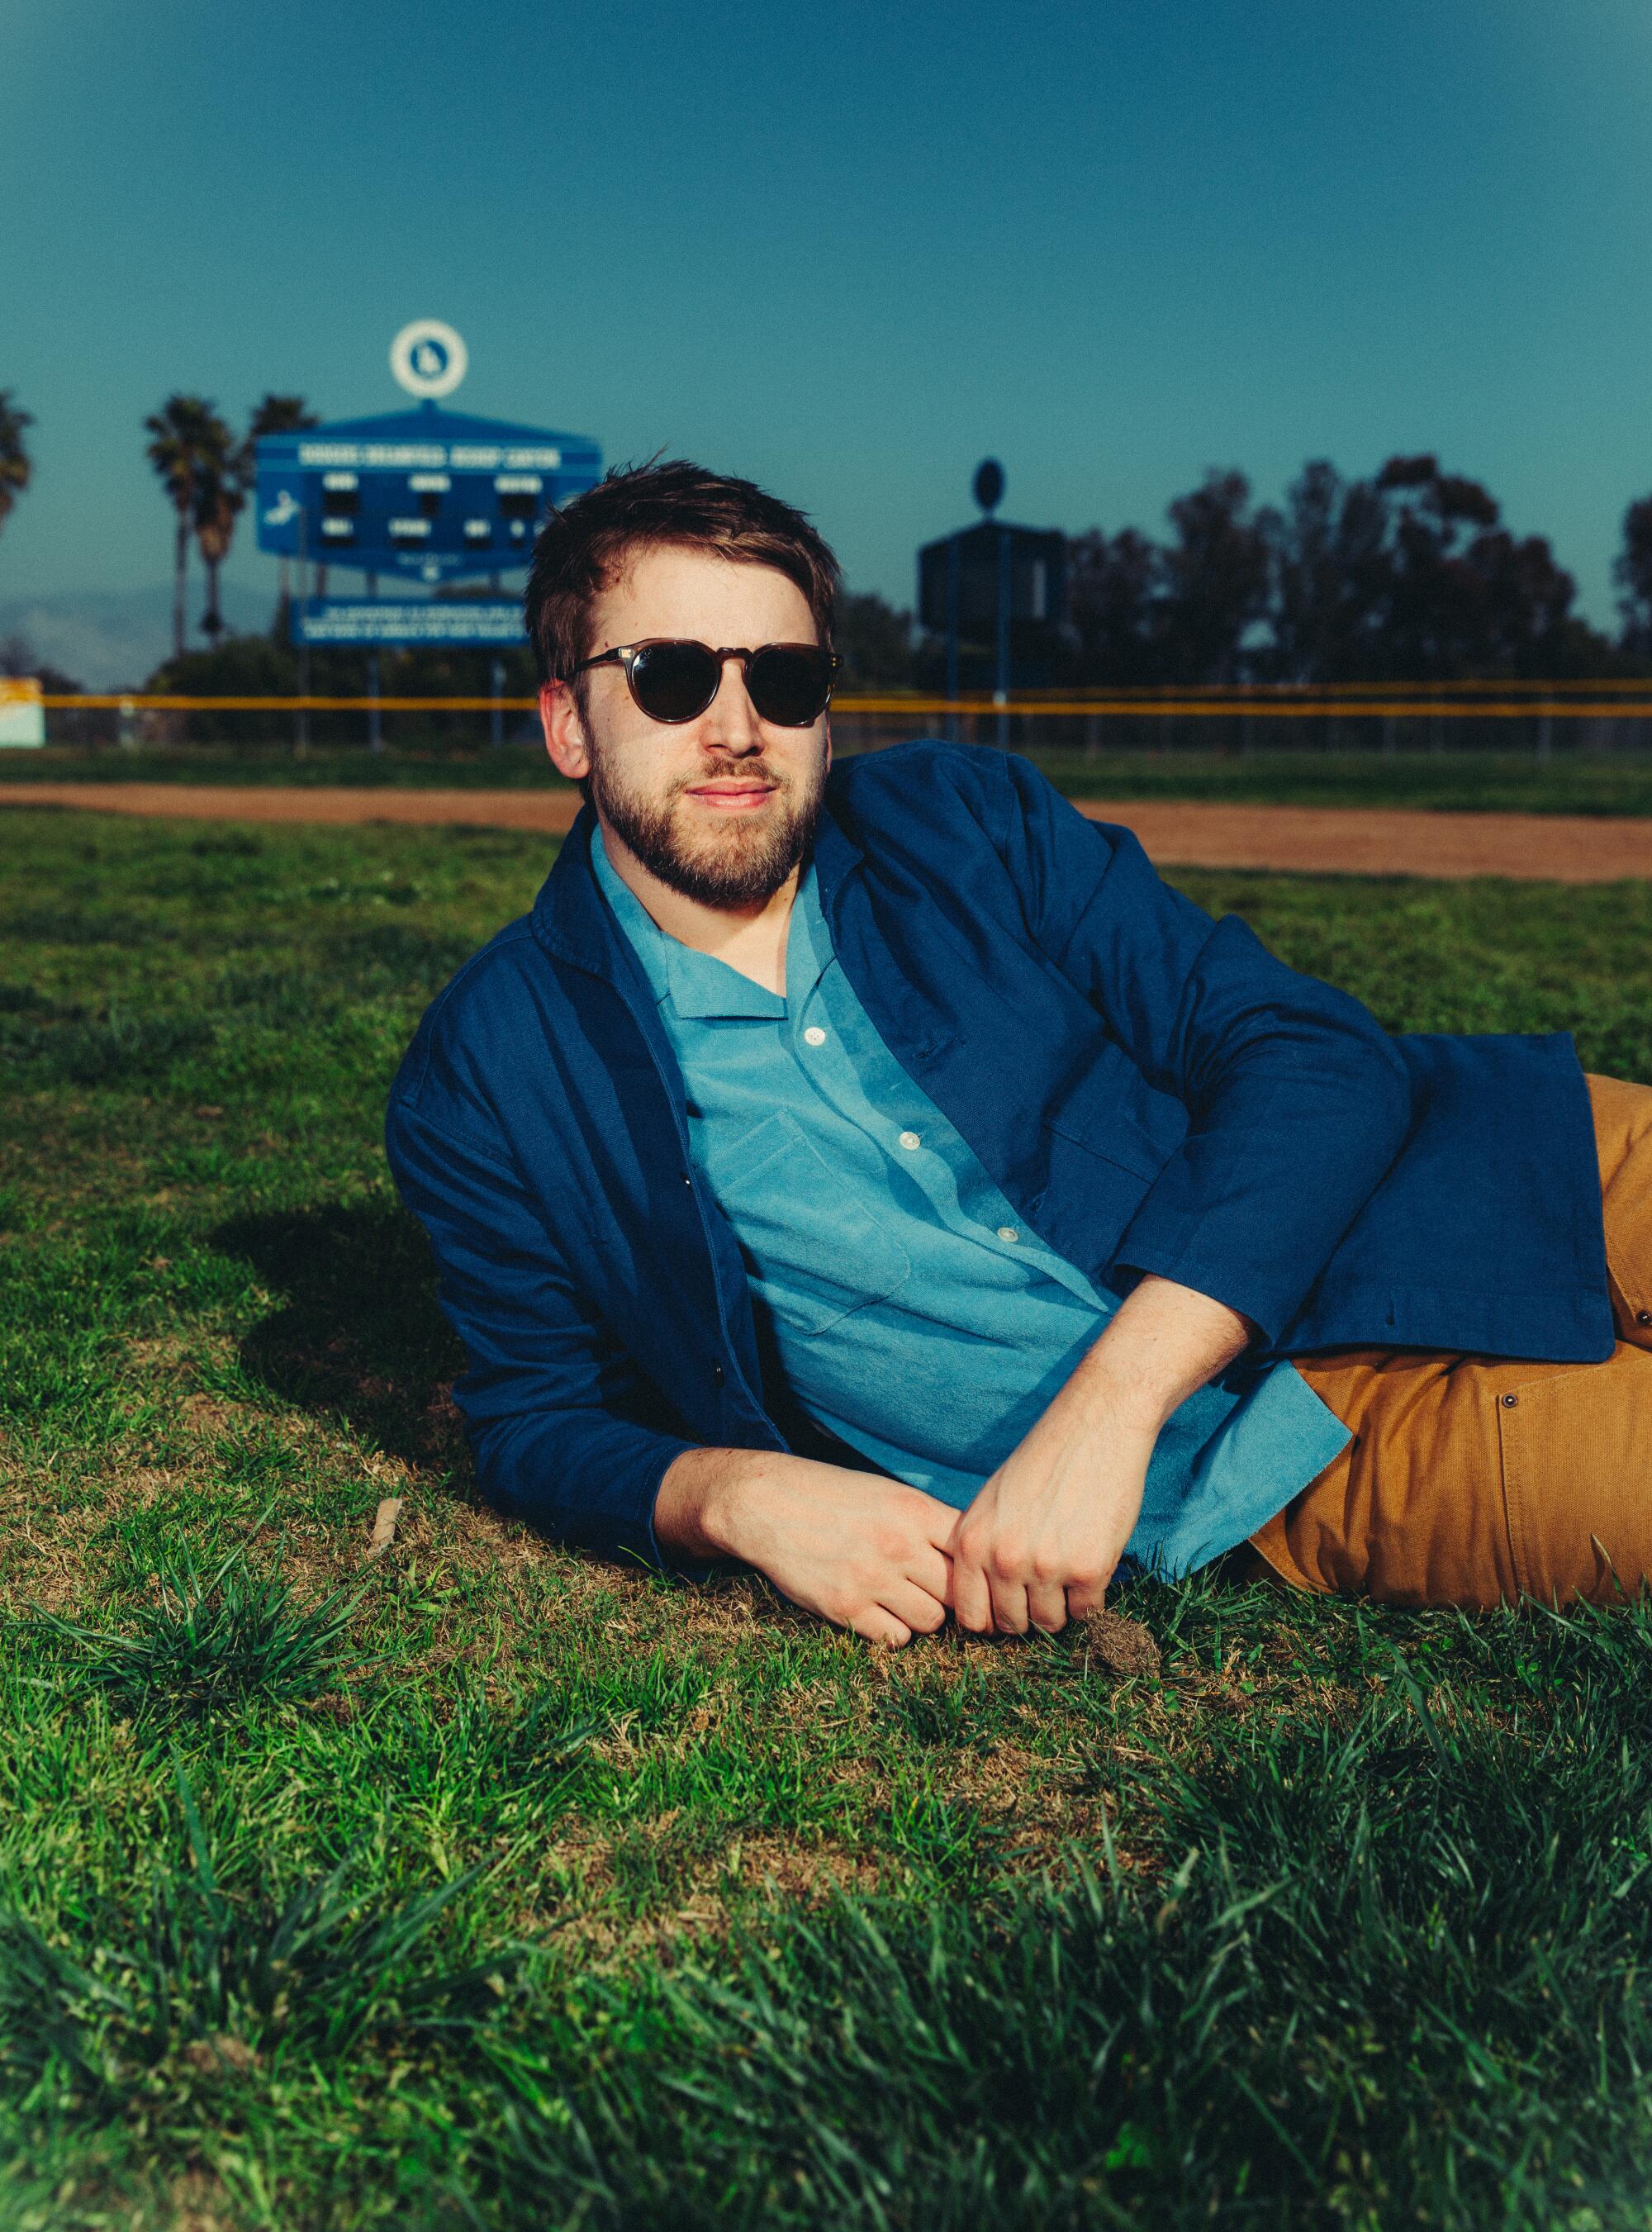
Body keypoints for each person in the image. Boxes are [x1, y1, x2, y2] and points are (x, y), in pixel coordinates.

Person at [385, 461, 1652, 1648]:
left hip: (1478, 1163)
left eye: (782, 679)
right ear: (566, 721)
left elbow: (1312, 1051)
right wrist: (737, 1494)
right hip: (1308, 1445)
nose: (736, 727)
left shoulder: (961, 818)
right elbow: (535, 1414)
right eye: (667, 675)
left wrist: (1109, 1404)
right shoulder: (491, 1068)